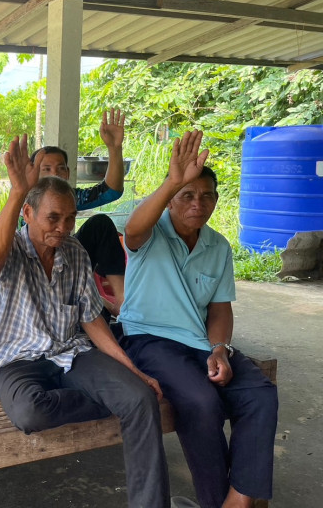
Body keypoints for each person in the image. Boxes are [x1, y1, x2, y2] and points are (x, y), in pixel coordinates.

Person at [0, 134, 169, 508]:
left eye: (69, 218)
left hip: (70, 352)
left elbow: (92, 319)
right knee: (30, 411)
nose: (62, 227)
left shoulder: (75, 251)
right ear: (28, 214)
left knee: (140, 397)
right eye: (53, 218)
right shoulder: (11, 246)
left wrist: (132, 371)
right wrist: (17, 192)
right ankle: (109, 399)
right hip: (15, 359)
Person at [118, 130, 278, 508]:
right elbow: (132, 230)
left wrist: (219, 349)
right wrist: (172, 180)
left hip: (200, 342)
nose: (197, 203)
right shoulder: (151, 233)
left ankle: (237, 499)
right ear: (171, 200)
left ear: (216, 201)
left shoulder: (218, 246)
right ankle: (217, 501)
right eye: (187, 195)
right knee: (201, 402)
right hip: (148, 339)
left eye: (206, 196)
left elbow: (220, 308)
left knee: (259, 393)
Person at [29, 109, 128, 315]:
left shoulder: (70, 197)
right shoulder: (23, 203)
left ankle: (124, 304)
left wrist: (114, 148)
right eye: (46, 169)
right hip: (33, 279)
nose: (55, 174)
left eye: (60, 168)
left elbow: (111, 191)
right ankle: (100, 301)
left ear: (68, 173)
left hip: (69, 265)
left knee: (100, 224)